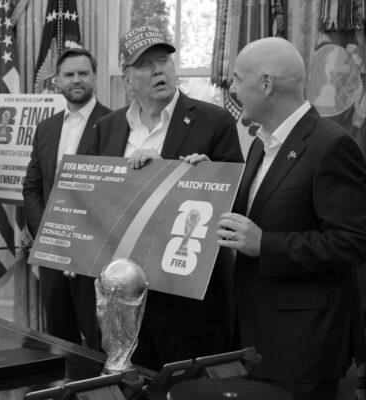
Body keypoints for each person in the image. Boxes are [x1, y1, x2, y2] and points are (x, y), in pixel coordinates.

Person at [217, 37, 366, 400]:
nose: (232, 89)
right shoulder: (260, 144)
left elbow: (353, 241)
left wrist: (264, 244)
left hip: (302, 348)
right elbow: (254, 212)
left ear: (266, 84)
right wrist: (205, 178)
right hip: (253, 339)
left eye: (238, 79)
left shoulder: (331, 144)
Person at [87, 25, 244, 369]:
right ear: (128, 80)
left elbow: (236, 205)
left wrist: (190, 176)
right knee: (128, 386)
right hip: (123, 301)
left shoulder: (214, 121)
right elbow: (94, 202)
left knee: (187, 389)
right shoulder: (107, 127)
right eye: (146, 64)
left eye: (163, 61)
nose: (158, 70)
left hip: (188, 306)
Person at [23, 48, 111, 350]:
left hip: (94, 256)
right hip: (52, 254)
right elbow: (32, 188)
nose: (76, 80)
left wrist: (80, 245)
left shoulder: (115, 123)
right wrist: (47, 237)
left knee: (99, 341)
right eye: (69, 74)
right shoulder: (45, 128)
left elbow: (115, 194)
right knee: (58, 338)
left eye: (83, 73)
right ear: (57, 81)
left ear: (94, 77)